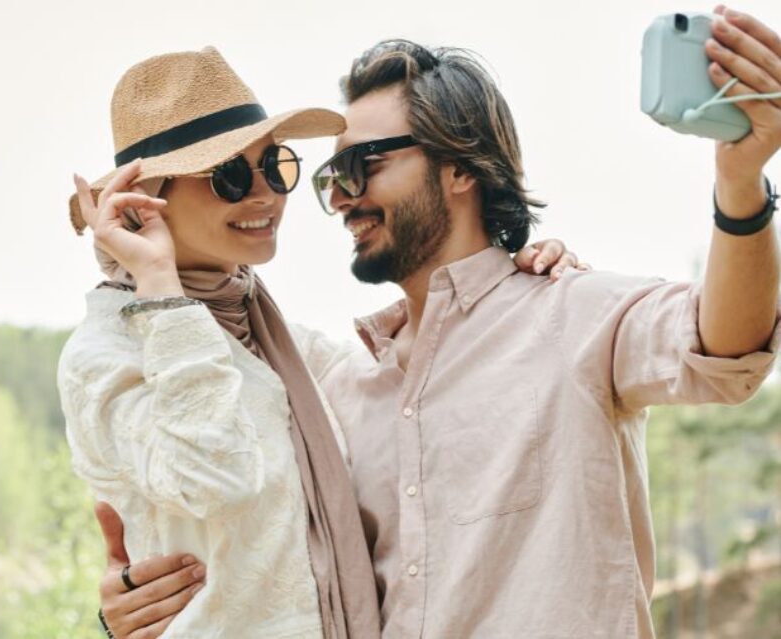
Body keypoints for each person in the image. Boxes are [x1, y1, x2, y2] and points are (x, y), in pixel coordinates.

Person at [99, 6, 781, 638]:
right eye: (331, 176)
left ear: (459, 164)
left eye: (362, 165)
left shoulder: (573, 312)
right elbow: (264, 553)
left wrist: (740, 184)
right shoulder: (337, 389)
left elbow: (724, 343)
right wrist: (129, 605)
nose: (341, 198)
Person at [59, 46, 580, 639]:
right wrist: (159, 285)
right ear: (147, 197)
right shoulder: (106, 353)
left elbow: (420, 373)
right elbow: (214, 477)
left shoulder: (278, 343)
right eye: (230, 176)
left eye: (276, 166)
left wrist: (515, 275)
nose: (266, 196)